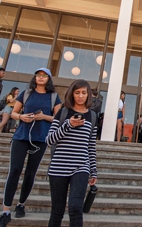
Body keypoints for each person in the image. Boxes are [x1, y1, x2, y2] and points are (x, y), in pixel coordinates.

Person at [0, 68, 61, 227]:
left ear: (48, 79)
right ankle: (6, 210)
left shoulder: (53, 97)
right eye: (38, 75)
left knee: (30, 173)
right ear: (35, 77)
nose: (41, 78)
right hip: (21, 136)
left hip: (41, 139)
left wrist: (43, 117)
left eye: (44, 76)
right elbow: (14, 113)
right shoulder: (26, 93)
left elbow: (59, 119)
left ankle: (21, 204)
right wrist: (21, 117)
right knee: (14, 170)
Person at [45, 79, 97, 227]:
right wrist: (68, 124)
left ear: (88, 95)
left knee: (75, 208)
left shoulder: (92, 116)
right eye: (77, 92)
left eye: (84, 93)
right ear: (72, 94)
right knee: (57, 211)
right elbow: (49, 140)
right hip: (58, 167)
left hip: (81, 167)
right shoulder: (63, 112)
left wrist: (93, 170)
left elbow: (91, 146)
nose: (81, 96)